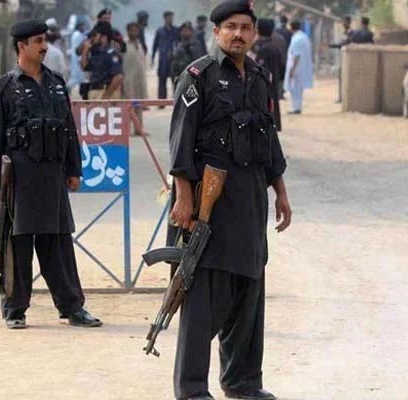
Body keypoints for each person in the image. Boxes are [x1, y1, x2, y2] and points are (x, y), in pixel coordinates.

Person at [167, 0, 292, 398]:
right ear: (217, 32)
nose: (238, 34)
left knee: (248, 292)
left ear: (253, 33)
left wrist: (281, 192)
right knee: (202, 297)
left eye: (245, 27)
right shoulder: (198, 76)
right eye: (231, 27)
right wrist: (183, 198)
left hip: (251, 201)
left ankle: (242, 382)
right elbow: (181, 141)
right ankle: (192, 389)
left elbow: (269, 140)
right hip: (209, 203)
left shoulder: (259, 77)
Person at [0, 19, 102, 330]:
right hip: (19, 178)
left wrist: (74, 169)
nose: (44, 46)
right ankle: (15, 309)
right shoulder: (3, 88)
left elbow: (69, 129)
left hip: (52, 175)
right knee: (17, 244)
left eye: (44, 40)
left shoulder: (56, 83)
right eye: (38, 41)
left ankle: (72, 307)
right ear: (21, 46)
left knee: (58, 244)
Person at [253, 18, 283, 131]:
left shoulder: (262, 49)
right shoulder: (275, 48)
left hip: (263, 85)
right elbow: (282, 66)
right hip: (274, 82)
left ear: (258, 30)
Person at [80, 22, 123, 99]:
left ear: (104, 37)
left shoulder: (111, 53)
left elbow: (118, 76)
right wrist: (85, 51)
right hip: (94, 90)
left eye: (95, 35)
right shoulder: (96, 53)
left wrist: (106, 96)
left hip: (105, 91)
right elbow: (84, 67)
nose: (92, 38)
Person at [283, 19, 313, 114]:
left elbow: (297, 55)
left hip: (297, 67)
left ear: (291, 27)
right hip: (300, 67)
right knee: (298, 89)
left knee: (294, 88)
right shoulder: (303, 36)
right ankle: (297, 107)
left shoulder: (297, 39)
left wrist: (292, 69)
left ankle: (296, 107)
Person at [123, 21, 148, 135]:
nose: (134, 32)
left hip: (139, 79)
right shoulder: (124, 44)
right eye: (132, 30)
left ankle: (139, 129)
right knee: (128, 105)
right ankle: (126, 130)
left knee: (139, 103)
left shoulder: (139, 44)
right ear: (128, 31)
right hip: (128, 79)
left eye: (136, 30)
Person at [152, 10, 180, 101]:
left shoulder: (176, 30)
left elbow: (180, 43)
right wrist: (153, 58)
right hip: (163, 60)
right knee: (162, 81)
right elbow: (155, 45)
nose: (171, 19)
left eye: (172, 18)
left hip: (174, 59)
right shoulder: (160, 31)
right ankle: (161, 102)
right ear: (165, 18)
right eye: (169, 18)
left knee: (175, 81)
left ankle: (176, 101)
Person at [68, 19, 87, 92]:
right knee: (77, 76)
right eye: (83, 26)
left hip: (76, 58)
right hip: (78, 58)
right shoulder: (78, 35)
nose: (84, 28)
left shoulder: (76, 34)